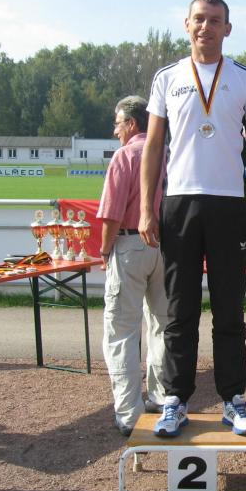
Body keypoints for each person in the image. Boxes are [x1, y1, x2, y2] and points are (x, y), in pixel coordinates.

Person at [139, 0, 246, 438]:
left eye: (215, 20)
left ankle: (233, 399)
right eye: (199, 19)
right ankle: (175, 400)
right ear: (186, 24)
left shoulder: (243, 79)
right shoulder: (167, 77)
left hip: (228, 204)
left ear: (227, 28)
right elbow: (153, 146)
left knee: (229, 308)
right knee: (180, 310)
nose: (206, 27)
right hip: (179, 203)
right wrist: (146, 207)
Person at [97, 96, 168, 437]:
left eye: (118, 123)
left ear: (132, 124)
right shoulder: (169, 153)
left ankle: (129, 413)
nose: (116, 131)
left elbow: (111, 214)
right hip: (166, 247)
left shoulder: (125, 156)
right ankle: (162, 398)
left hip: (129, 244)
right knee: (162, 326)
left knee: (122, 331)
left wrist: (105, 250)